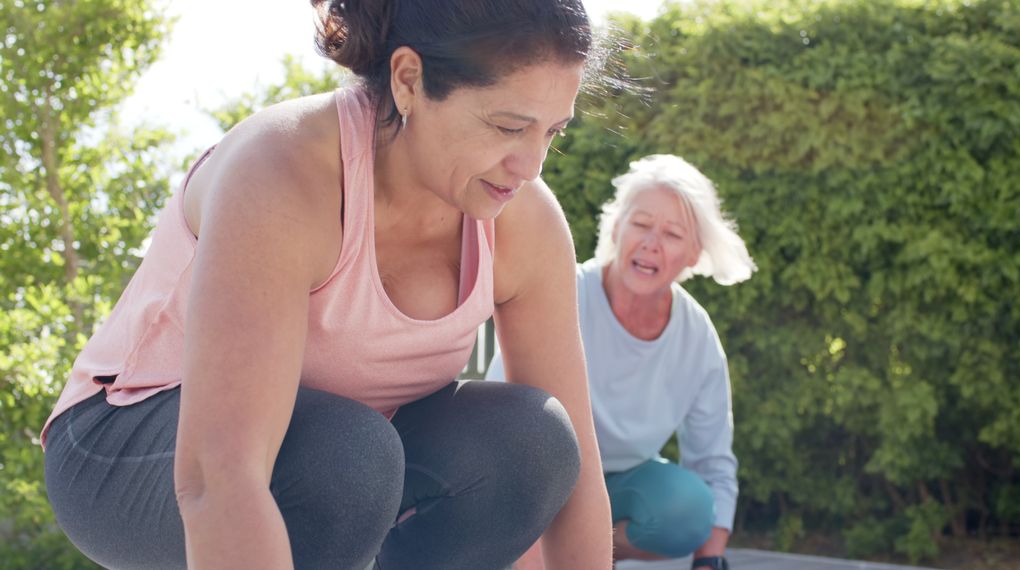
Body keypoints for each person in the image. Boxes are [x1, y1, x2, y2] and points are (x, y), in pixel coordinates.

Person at [41, 1, 613, 568]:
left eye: (553, 131)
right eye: (509, 126)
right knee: (348, 457)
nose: (532, 164)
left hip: (348, 456)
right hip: (127, 447)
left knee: (529, 442)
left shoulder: (524, 220)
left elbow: (581, 471)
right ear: (409, 80)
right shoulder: (283, 171)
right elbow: (220, 477)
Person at [488, 154, 756, 570]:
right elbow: (504, 423)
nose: (651, 242)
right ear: (616, 227)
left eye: (672, 233)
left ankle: (587, 553)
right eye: (642, 223)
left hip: (622, 489)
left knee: (689, 507)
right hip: (533, 480)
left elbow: (713, 462)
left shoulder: (696, 336)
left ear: (692, 254)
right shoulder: (563, 291)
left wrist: (710, 562)